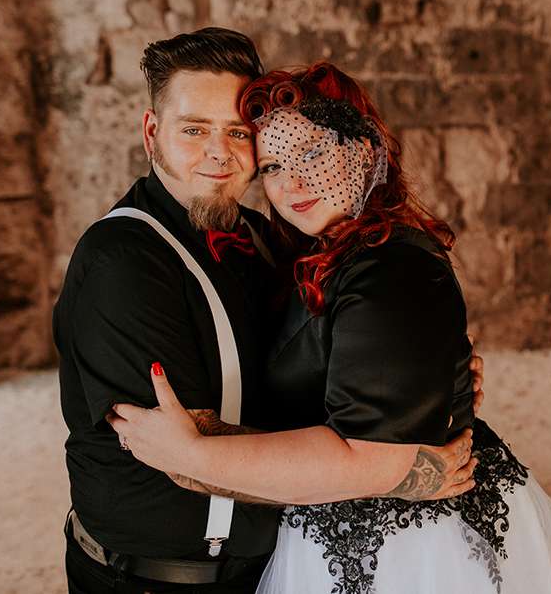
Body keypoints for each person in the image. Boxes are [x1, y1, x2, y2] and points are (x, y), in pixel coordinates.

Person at [108, 62, 551, 593]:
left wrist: (189, 455)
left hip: (406, 550)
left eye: (311, 154)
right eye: (273, 166)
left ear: (366, 151)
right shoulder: (316, 254)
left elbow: (371, 458)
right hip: (332, 528)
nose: (291, 183)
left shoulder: (390, 268)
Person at [55, 30, 480, 594]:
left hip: (269, 563)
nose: (219, 152)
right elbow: (180, 455)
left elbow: (324, 355)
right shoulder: (123, 261)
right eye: (194, 129)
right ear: (152, 132)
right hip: (158, 579)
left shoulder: (263, 236)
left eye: (237, 133)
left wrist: (418, 380)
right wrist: (397, 471)